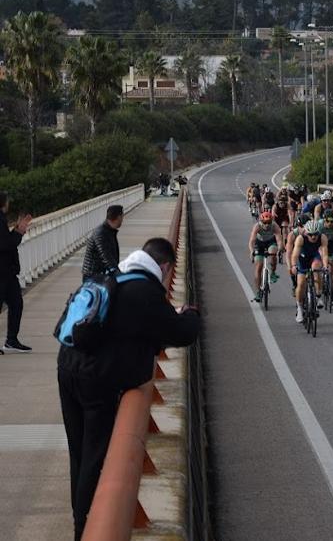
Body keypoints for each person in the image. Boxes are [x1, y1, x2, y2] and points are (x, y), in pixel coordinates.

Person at [57, 237, 200, 540]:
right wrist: (190, 313)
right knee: (95, 456)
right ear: (164, 267)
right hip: (96, 381)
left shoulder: (115, 276)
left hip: (67, 366)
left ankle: (79, 520)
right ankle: (85, 529)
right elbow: (183, 334)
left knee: (79, 453)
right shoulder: (146, 292)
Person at [0, 192, 33, 353]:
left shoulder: (1, 218)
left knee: (16, 304)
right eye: (7, 202)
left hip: (8, 272)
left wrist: (17, 230)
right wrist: (19, 231)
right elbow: (5, 245)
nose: (9, 204)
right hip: (3, 272)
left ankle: (11, 340)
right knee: (14, 304)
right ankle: (11, 340)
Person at [287, 220, 329, 324]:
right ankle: (300, 308)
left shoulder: (322, 237)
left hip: (315, 257)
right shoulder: (300, 239)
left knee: (316, 268)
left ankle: (318, 295)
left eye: (315, 234)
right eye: (310, 235)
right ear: (306, 233)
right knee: (301, 284)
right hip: (303, 258)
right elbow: (294, 255)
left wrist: (325, 265)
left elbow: (324, 253)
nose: (313, 237)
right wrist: (293, 266)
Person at [82, 205, 123, 282]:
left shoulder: (108, 231)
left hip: (100, 274)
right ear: (118, 217)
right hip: (93, 275)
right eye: (122, 217)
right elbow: (105, 255)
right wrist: (117, 272)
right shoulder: (101, 233)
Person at [249, 211, 283, 303]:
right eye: (265, 223)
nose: (267, 225)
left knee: (273, 254)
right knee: (258, 267)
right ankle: (258, 292)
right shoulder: (257, 226)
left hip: (270, 242)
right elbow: (252, 240)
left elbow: (279, 239)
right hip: (259, 244)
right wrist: (252, 251)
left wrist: (280, 249)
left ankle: (273, 273)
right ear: (261, 221)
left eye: (269, 223)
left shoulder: (275, 226)